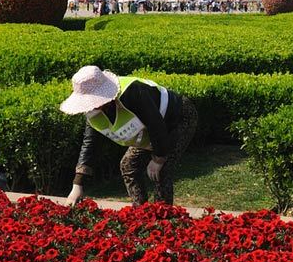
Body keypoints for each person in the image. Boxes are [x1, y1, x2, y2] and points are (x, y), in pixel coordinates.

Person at [60, 66, 198, 207]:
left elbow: (155, 124)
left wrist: (158, 159)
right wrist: (78, 184)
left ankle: (163, 216)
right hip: (150, 131)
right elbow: (90, 143)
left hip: (178, 118)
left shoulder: (132, 92)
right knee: (128, 165)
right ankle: (140, 211)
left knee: (162, 170)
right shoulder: (93, 113)